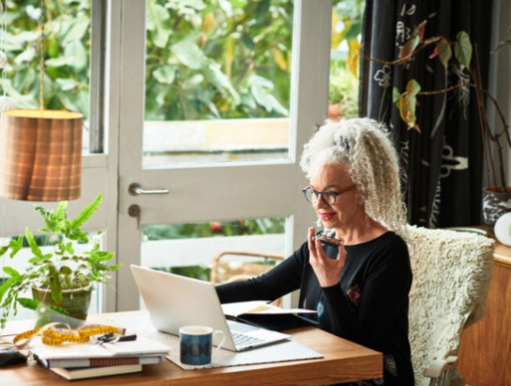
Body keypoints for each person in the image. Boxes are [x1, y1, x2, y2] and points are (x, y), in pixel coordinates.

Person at [216, 118, 414, 386]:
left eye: (330, 193)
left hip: (368, 377)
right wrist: (200, 296)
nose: (319, 204)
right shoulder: (323, 243)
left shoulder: (389, 253)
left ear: (363, 191)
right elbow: (261, 288)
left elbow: (359, 344)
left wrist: (329, 283)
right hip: (318, 368)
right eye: (314, 192)